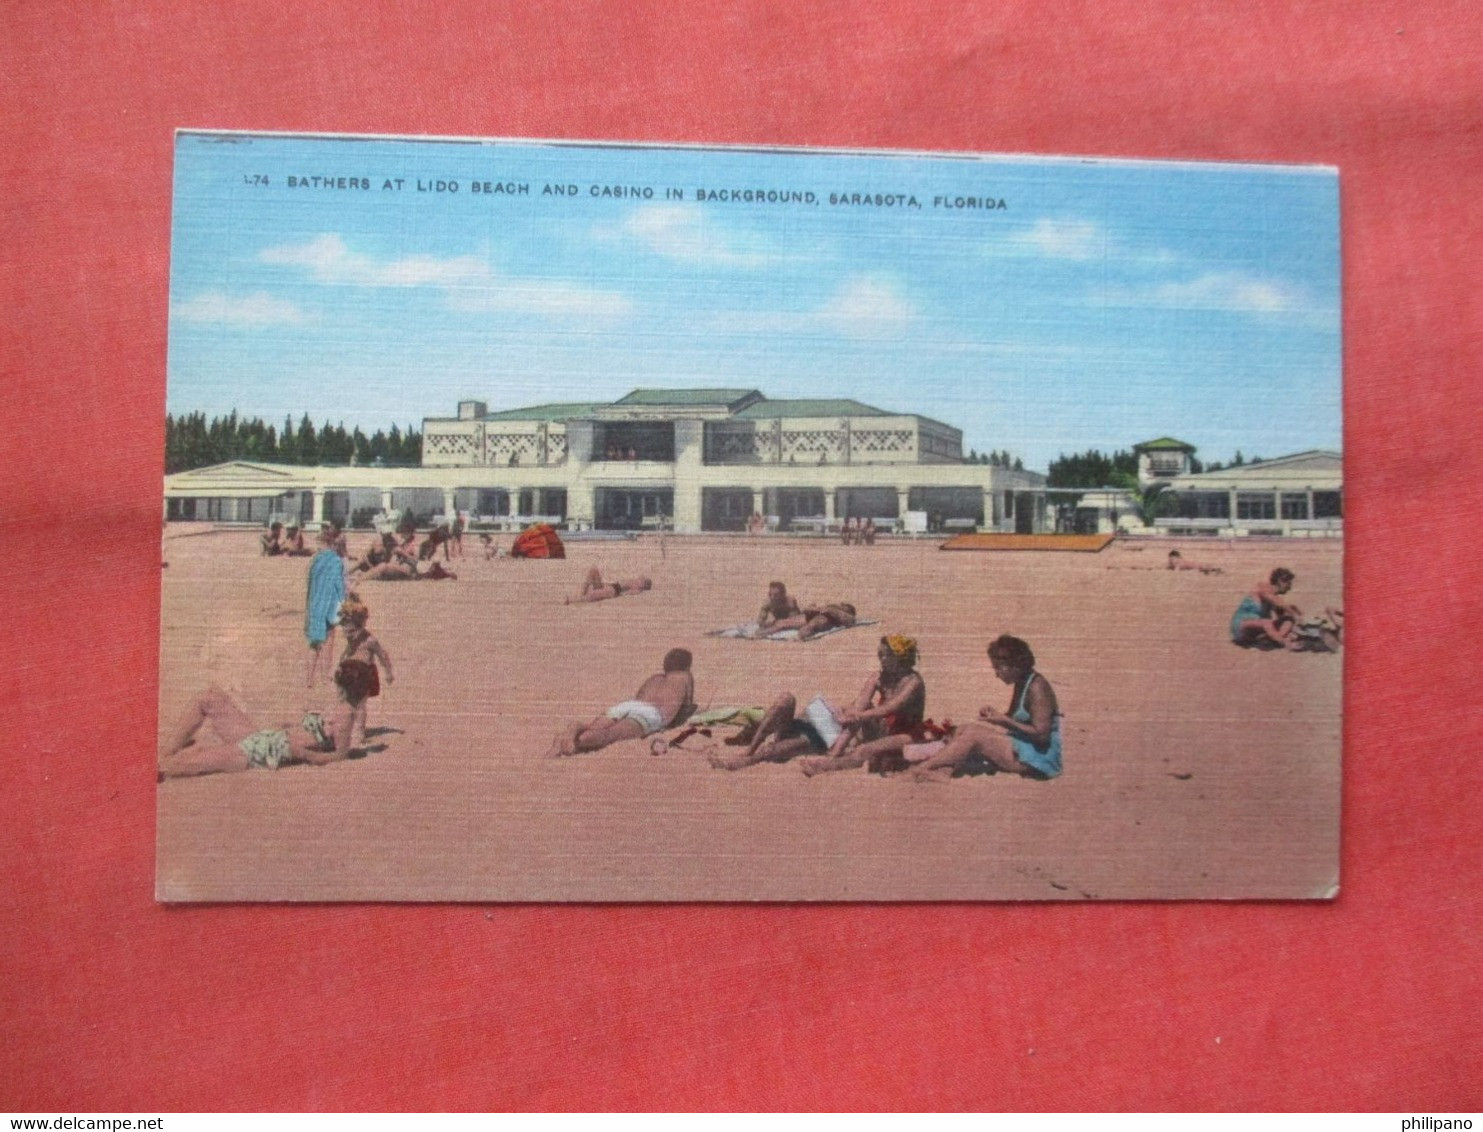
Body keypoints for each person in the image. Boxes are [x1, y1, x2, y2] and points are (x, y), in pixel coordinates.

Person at [909, 635, 1062, 781]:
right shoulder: (1023, 681)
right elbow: (1016, 719)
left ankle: (922, 768)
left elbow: (1042, 735)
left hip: (1039, 761)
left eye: (998, 668)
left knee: (974, 735)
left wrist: (1004, 721)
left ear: (1014, 666)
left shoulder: (1037, 688)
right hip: (1026, 749)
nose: (996, 674)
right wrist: (996, 717)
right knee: (965, 729)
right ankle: (944, 771)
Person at [798, 635, 930, 775]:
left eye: (884, 655)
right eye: (880, 655)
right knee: (858, 708)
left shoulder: (913, 681)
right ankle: (834, 753)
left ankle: (829, 766)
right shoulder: (878, 677)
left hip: (907, 733)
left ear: (898, 657)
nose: (881, 659)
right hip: (883, 727)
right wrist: (853, 715)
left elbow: (889, 708)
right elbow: (860, 705)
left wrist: (858, 715)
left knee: (863, 749)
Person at [158, 685, 352, 779]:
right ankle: (165, 752)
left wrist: (305, 754)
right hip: (260, 738)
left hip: (254, 754)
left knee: (188, 762)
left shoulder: (347, 718)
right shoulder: (340, 708)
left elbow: (340, 754)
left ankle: (151, 771)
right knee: (209, 696)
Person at [546, 648, 696, 757]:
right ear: (686, 666)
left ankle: (578, 728)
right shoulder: (685, 677)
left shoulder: (654, 679)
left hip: (630, 705)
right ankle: (579, 742)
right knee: (609, 735)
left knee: (596, 728)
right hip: (651, 715)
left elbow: (639, 697)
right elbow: (687, 706)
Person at [333, 596, 394, 750]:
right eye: (344, 629)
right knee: (343, 700)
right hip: (348, 673)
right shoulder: (350, 638)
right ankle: (345, 727)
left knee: (360, 704)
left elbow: (383, 655)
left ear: (360, 625)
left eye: (351, 631)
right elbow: (347, 652)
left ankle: (360, 733)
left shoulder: (370, 640)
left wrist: (388, 672)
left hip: (364, 675)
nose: (348, 634)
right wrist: (339, 666)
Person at [304, 525, 347, 687]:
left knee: (314, 643)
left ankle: (309, 679)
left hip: (315, 604)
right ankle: (325, 675)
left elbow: (309, 583)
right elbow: (338, 584)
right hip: (330, 604)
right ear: (332, 544)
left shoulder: (315, 561)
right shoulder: (336, 560)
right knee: (329, 640)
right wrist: (343, 603)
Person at [1231, 567, 1303, 649]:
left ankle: (1273, 640)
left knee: (1288, 620)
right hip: (1241, 626)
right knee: (1267, 622)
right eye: (1289, 583)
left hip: (1257, 628)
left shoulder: (1275, 598)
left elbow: (1281, 615)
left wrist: (1294, 622)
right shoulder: (1263, 587)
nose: (1289, 587)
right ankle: (1285, 643)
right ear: (1280, 581)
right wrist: (1295, 614)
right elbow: (1280, 604)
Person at [765, 601, 857, 640]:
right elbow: (808, 609)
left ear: (847, 609)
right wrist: (813, 608)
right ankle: (760, 633)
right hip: (818, 614)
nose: (841, 604)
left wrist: (831, 610)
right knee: (782, 623)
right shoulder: (832, 606)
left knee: (811, 625)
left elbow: (850, 621)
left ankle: (800, 637)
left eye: (844, 605)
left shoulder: (845, 614)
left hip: (828, 618)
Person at [566, 566, 652, 603]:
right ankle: (582, 593)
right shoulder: (635, 581)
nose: (641, 579)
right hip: (611, 586)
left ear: (644, 585)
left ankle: (572, 600)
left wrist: (622, 593)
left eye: (643, 580)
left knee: (592, 595)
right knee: (593, 571)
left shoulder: (638, 588)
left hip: (614, 590)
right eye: (642, 579)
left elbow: (627, 593)